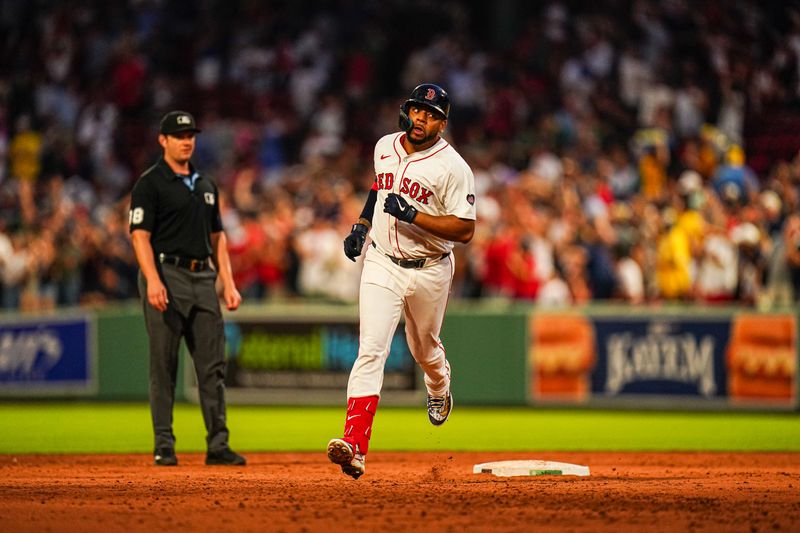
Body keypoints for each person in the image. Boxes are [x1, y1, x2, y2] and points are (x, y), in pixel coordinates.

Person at [326, 84, 476, 479]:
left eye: (429, 114)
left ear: (442, 124)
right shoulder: (384, 146)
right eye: (416, 110)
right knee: (371, 349)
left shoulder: (454, 167)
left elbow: (464, 229)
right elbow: (380, 186)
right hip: (382, 262)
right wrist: (361, 224)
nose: (420, 119)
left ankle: (439, 385)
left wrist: (415, 216)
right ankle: (355, 445)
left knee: (424, 349)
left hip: (430, 267)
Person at [129, 111, 246, 466]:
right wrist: (152, 278)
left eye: (190, 134)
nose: (186, 140)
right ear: (162, 140)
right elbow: (139, 236)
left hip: (202, 278)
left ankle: (218, 445)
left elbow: (218, 238)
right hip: (167, 273)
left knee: (212, 367)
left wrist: (227, 280)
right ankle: (164, 444)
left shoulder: (206, 184)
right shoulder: (150, 183)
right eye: (178, 135)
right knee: (163, 365)